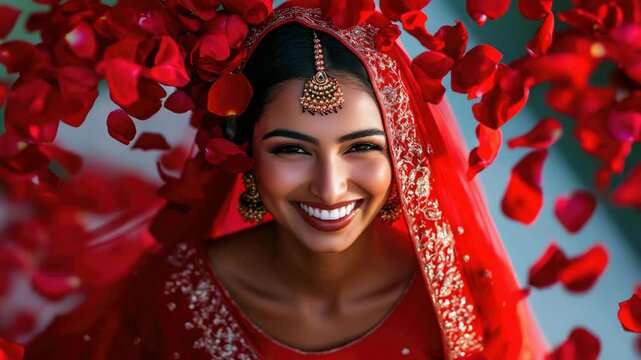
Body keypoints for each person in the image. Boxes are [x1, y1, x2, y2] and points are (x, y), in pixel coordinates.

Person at [25, 2, 547, 359]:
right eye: (293, 149)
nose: (330, 185)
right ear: (244, 151)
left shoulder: (462, 301)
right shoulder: (173, 295)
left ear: (403, 153)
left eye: (362, 147)